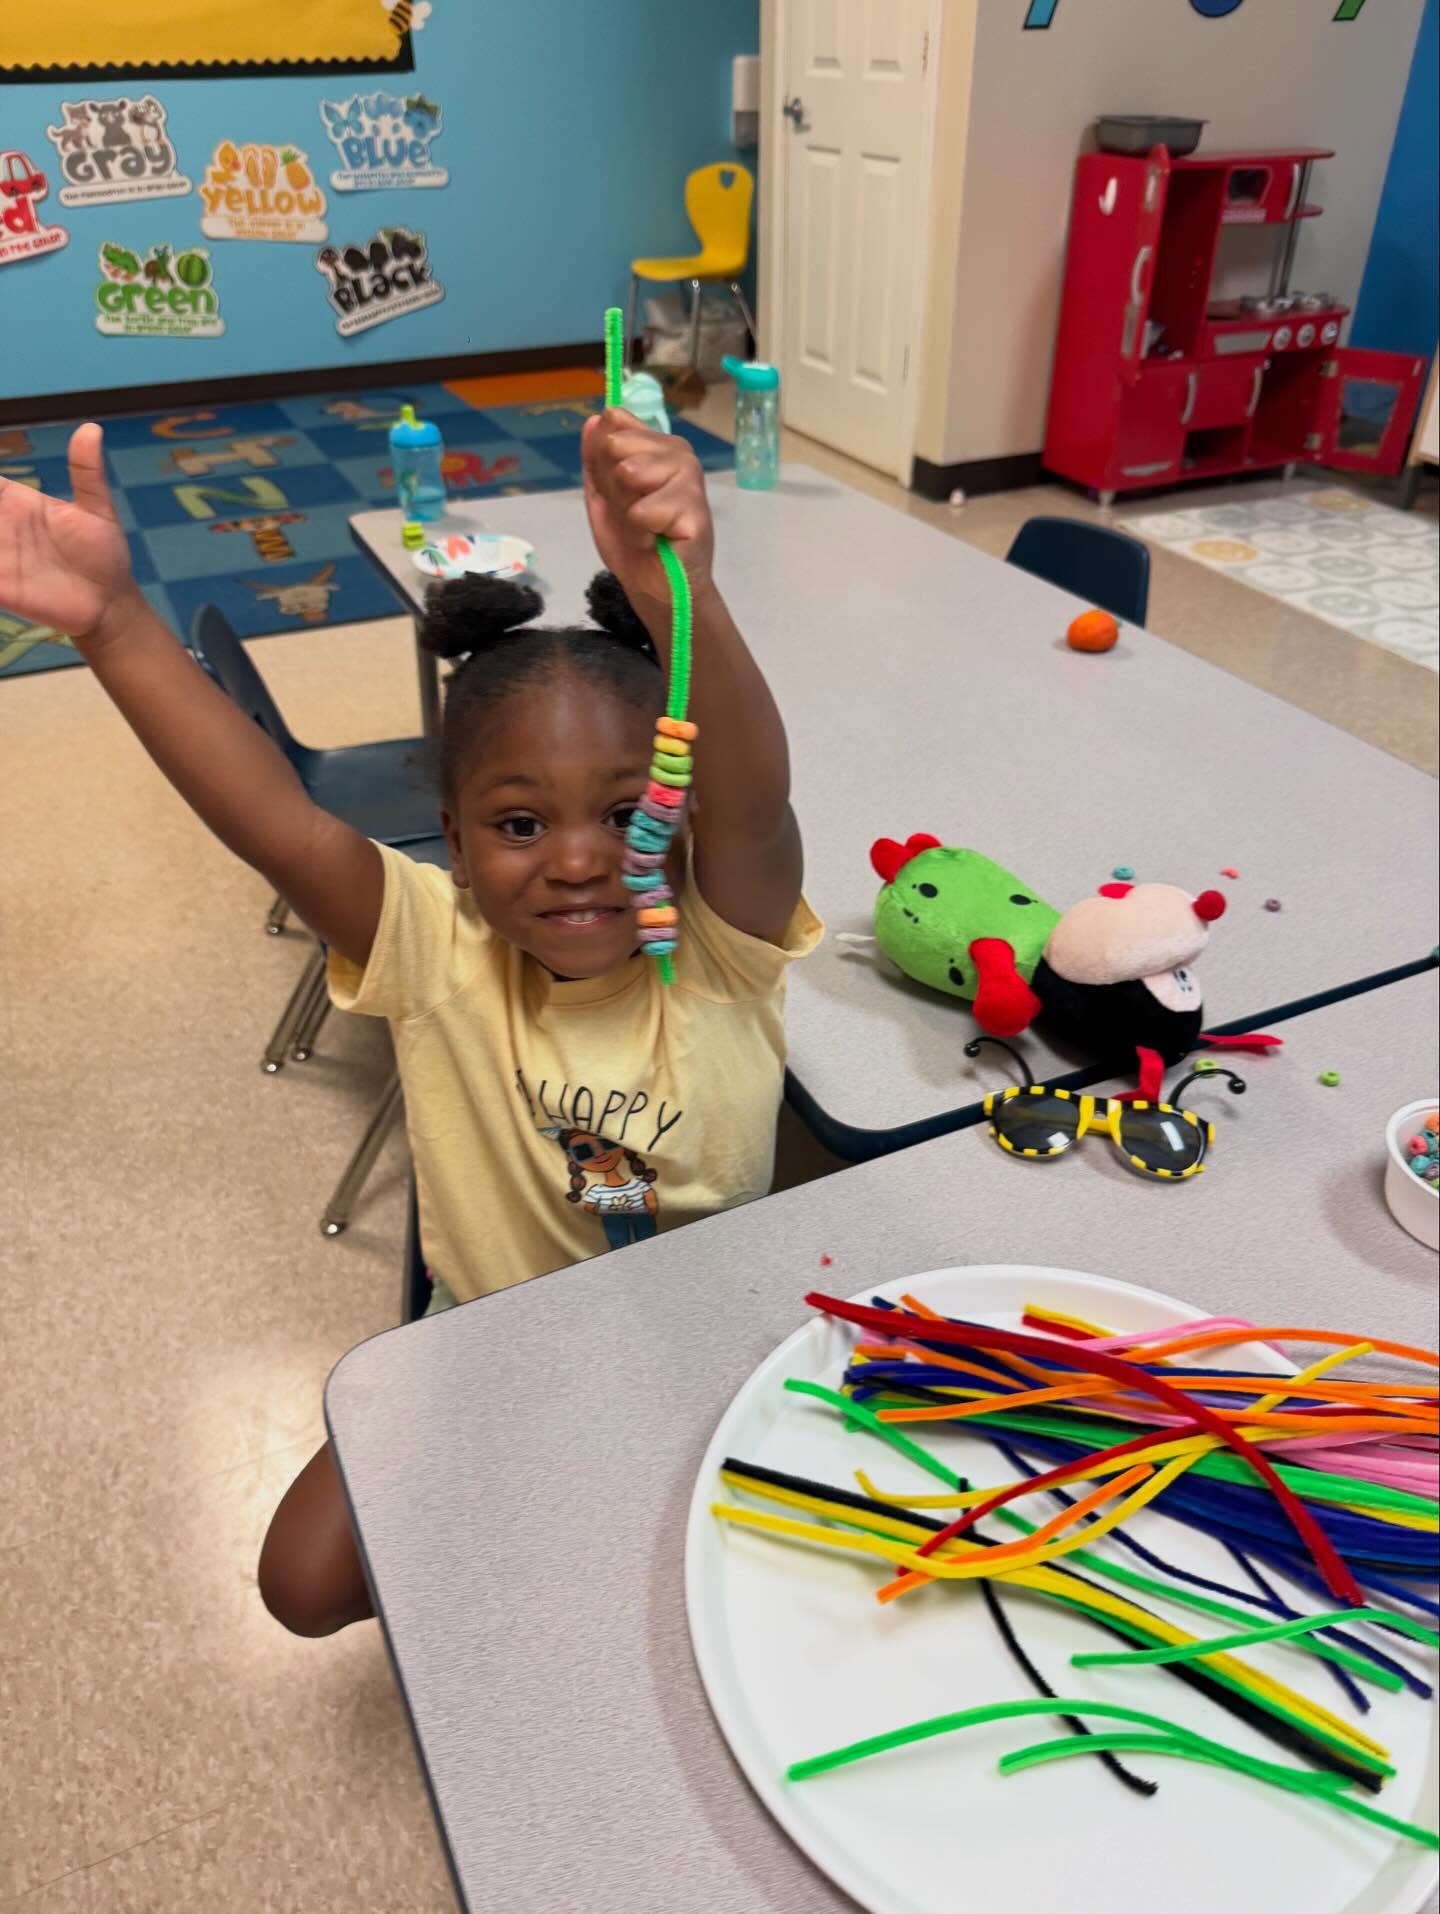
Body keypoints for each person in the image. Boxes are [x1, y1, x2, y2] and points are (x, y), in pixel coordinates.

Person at [0, 410, 818, 1635]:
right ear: (450, 828)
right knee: (302, 1582)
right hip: (492, 1337)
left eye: (625, 809)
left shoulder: (716, 948)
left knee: (692, 1598)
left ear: (681, 803)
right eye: (522, 824)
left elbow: (758, 802)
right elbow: (274, 818)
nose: (582, 862)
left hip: (699, 1341)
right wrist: (115, 626)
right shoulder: (438, 948)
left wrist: (680, 597)